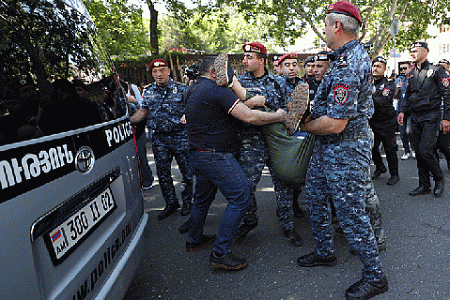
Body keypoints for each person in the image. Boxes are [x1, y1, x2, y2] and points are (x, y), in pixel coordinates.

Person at [296, 2, 388, 299]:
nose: (323, 30)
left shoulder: (350, 64)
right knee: (315, 195)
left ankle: (376, 277)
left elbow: (336, 124)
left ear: (337, 26)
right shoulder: (341, 59)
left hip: (346, 149)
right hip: (329, 149)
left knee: (351, 214)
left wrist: (300, 126)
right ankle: (325, 251)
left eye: (325, 25)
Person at [184, 56, 286, 270]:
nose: (232, 77)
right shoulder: (216, 90)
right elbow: (249, 117)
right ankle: (220, 253)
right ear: (214, 72)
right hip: (217, 157)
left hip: (198, 155)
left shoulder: (194, 89)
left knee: (202, 198)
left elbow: (224, 109)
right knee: (241, 197)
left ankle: (194, 239)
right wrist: (277, 116)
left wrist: (252, 101)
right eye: (229, 72)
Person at [235, 43, 303, 247]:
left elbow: (287, 109)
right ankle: (249, 220)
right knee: (246, 186)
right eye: (244, 57)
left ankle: (288, 225)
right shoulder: (239, 82)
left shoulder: (278, 81)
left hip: (276, 141)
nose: (245, 61)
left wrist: (260, 104)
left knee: (283, 186)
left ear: (261, 60)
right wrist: (255, 104)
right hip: (250, 142)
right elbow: (237, 109)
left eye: (250, 57)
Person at [131, 59, 193, 219]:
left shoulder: (182, 89)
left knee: (187, 172)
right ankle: (171, 203)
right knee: (163, 173)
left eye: (162, 70)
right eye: (155, 72)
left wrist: (188, 115)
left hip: (180, 136)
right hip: (159, 139)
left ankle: (188, 202)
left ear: (168, 71)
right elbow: (142, 113)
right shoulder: (148, 91)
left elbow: (192, 108)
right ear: (152, 73)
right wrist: (126, 120)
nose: (158, 74)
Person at [398, 42, 450, 197]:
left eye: (416, 50)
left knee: (426, 150)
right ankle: (424, 185)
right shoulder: (412, 73)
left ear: (425, 52)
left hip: (431, 117)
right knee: (418, 152)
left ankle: (439, 179)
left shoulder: (437, 70)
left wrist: (447, 118)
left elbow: (447, 95)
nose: (412, 53)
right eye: (411, 50)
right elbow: (407, 95)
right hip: (415, 117)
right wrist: (402, 111)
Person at [370, 56, 400, 185]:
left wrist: (370, 95)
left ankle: (394, 174)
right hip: (372, 122)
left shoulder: (389, 84)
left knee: (390, 149)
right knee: (372, 148)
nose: (375, 69)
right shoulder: (368, 83)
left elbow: (383, 101)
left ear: (384, 69)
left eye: (378, 66)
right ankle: (380, 167)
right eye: (374, 66)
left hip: (386, 122)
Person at [395, 61, 414, 160]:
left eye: (405, 68)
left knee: (410, 131)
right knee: (402, 132)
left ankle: (414, 149)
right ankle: (406, 151)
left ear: (410, 68)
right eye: (401, 69)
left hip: (412, 109)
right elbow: (395, 96)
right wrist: (398, 88)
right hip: (401, 109)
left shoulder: (414, 79)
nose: (403, 70)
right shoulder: (399, 79)